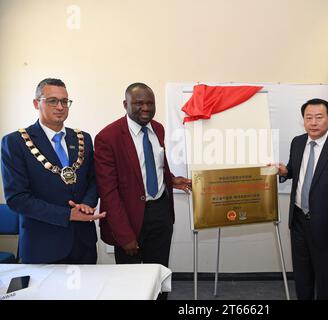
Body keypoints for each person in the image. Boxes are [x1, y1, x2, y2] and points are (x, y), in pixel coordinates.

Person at [1, 78, 105, 264]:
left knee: (87, 293)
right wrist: (67, 214)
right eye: (52, 101)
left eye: (65, 101)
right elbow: (17, 198)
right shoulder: (16, 142)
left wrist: (87, 204)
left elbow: (93, 179)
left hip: (82, 243)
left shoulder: (83, 139)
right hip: (42, 245)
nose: (60, 107)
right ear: (36, 103)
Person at [94, 82, 191, 273]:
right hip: (128, 218)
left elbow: (153, 165)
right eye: (139, 103)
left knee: (159, 273)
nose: (146, 108)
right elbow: (108, 192)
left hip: (160, 213)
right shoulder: (108, 137)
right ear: (125, 104)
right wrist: (124, 235)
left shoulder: (158, 128)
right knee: (130, 280)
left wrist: (171, 180)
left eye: (150, 103)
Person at [275, 98, 328, 300]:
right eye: (308, 117)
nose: (313, 122)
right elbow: (296, 170)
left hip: (327, 226)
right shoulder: (298, 142)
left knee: (325, 277)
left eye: (319, 117)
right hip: (299, 221)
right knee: (302, 276)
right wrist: (285, 172)